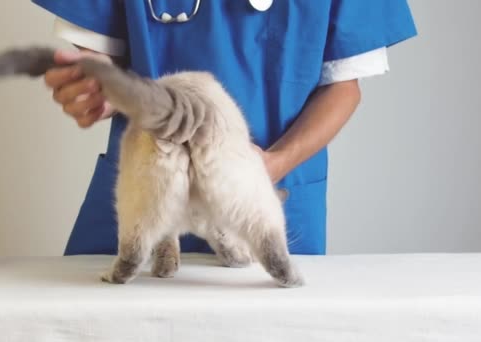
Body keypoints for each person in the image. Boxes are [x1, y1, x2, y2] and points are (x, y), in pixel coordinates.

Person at [32, 0, 417, 256]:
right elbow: (100, 56)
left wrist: (272, 165)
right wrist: (101, 89)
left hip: (267, 193)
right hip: (149, 186)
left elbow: (344, 86)